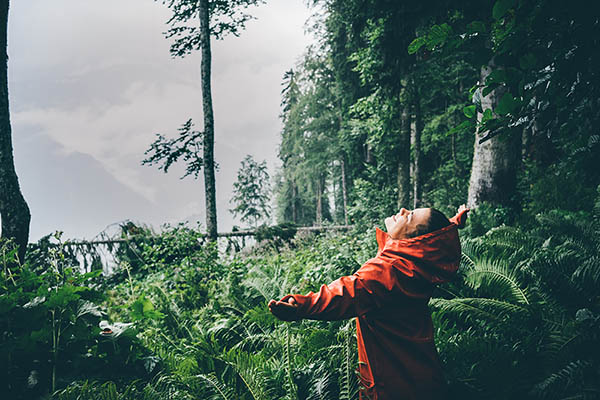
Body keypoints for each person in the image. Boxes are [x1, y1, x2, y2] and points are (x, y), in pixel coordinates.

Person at [268, 205, 469, 400]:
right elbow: (435, 237)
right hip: (423, 374)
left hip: (396, 386)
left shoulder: (389, 271)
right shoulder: (418, 265)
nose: (403, 211)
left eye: (409, 216)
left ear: (414, 240)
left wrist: (301, 306)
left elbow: (347, 292)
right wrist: (454, 222)